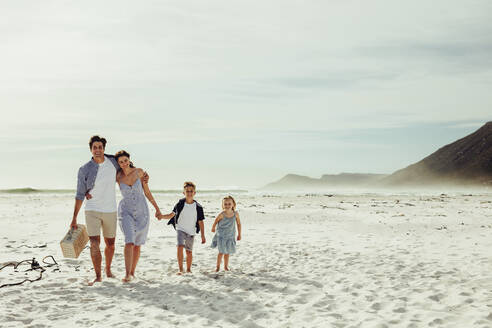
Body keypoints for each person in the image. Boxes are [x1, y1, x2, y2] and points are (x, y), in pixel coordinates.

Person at [69, 135, 148, 286]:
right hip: (91, 209)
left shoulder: (113, 162)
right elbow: (79, 194)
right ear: (91, 150)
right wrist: (74, 218)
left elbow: (127, 167)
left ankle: (108, 269)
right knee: (94, 243)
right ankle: (98, 276)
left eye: (100, 147)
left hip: (110, 210)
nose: (97, 150)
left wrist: (143, 176)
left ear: (104, 149)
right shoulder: (84, 169)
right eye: (94, 148)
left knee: (110, 244)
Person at [115, 150, 161, 283]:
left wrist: (157, 209)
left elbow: (146, 192)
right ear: (118, 163)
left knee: (137, 244)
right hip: (126, 211)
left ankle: (133, 272)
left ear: (129, 160)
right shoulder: (117, 176)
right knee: (129, 241)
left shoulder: (139, 172)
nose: (123, 163)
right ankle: (127, 274)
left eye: (125, 160)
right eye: (120, 162)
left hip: (141, 211)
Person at [158, 181, 206, 275]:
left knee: (189, 252)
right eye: (187, 191)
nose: (189, 193)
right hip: (181, 229)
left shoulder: (198, 207)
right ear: (183, 193)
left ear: (194, 193)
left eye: (191, 191)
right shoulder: (180, 204)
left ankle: (188, 269)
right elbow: (171, 215)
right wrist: (162, 216)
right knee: (179, 247)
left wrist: (203, 235)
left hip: (191, 231)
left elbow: (201, 222)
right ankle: (180, 269)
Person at [211, 196, 242, 272]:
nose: (227, 206)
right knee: (221, 252)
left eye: (229, 204)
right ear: (223, 205)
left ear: (233, 204)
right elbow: (216, 221)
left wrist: (239, 234)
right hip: (221, 235)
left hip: (230, 236)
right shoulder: (222, 214)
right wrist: (213, 227)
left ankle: (225, 267)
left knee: (227, 252)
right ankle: (217, 267)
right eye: (225, 204)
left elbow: (239, 224)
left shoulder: (236, 214)